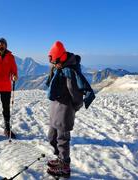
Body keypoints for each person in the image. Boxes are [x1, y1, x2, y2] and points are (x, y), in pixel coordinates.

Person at [45, 41, 95, 178]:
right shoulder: (59, 69)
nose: (53, 64)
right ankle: (60, 159)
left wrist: (72, 108)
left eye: (54, 61)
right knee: (52, 137)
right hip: (56, 109)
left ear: (61, 58)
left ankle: (64, 166)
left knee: (62, 139)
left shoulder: (69, 73)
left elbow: (76, 97)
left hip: (65, 110)